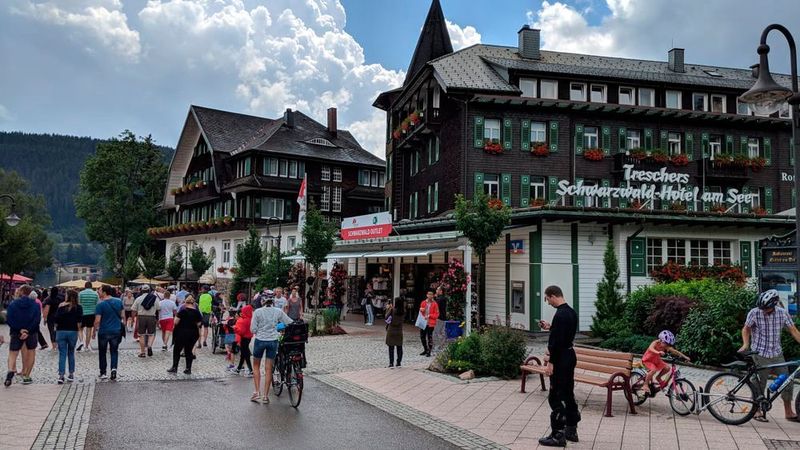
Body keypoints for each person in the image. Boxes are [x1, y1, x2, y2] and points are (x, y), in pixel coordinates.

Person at [739, 289, 800, 422]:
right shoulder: (755, 312)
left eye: (766, 308)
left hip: (777, 353)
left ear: (774, 304)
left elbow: (793, 330)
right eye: (762, 307)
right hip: (760, 353)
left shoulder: (782, 314)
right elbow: (746, 329)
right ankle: (757, 411)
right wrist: (745, 344)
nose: (763, 310)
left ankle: (788, 412)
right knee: (760, 383)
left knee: (787, 382)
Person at [537, 285, 580, 447]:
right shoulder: (571, 312)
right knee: (568, 392)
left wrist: (550, 364)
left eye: (547, 299)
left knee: (555, 396)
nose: (548, 303)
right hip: (570, 355)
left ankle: (558, 435)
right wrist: (550, 327)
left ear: (553, 296)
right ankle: (571, 429)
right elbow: (564, 334)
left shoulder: (560, 315)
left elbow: (556, 343)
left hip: (561, 358)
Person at [250, 296, 294, 403]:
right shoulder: (278, 311)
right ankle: (265, 396)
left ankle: (257, 392)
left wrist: (260, 329)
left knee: (256, 366)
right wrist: (278, 326)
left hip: (260, 340)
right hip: (273, 341)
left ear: (262, 301)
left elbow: (253, 329)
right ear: (273, 301)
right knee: (269, 369)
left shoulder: (258, 312)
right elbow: (289, 322)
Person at [4, 285, 41, 386]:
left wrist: (20, 330)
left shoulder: (13, 304)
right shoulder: (35, 305)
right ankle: (26, 376)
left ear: (21, 292)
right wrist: (27, 331)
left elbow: (9, 319)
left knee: (13, 353)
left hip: (16, 331)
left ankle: (11, 369)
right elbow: (37, 320)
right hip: (31, 332)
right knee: (31, 352)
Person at [642, 330, 690, 395]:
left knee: (667, 368)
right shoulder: (655, 342)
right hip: (648, 360)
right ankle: (645, 384)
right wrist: (658, 352)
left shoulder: (665, 346)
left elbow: (675, 351)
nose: (666, 346)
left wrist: (685, 357)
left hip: (656, 360)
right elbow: (651, 348)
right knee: (654, 370)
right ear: (661, 340)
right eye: (666, 343)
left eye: (668, 344)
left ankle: (658, 377)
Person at [94, 285, 124, 381]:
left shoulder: (100, 304)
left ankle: (103, 372)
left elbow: (97, 320)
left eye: (100, 290)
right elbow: (123, 315)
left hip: (104, 331)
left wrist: (94, 330)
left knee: (102, 352)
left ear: (104, 292)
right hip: (116, 330)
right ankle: (114, 369)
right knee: (114, 351)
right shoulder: (119, 301)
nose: (98, 292)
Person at [168, 295, 203, 375]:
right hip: (192, 333)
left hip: (181, 332)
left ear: (185, 302)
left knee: (177, 350)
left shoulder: (182, 311)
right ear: (193, 303)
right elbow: (199, 324)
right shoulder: (197, 312)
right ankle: (188, 369)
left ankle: (174, 367)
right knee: (189, 351)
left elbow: (176, 322)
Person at [54, 289, 83, 384]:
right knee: (71, 352)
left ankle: (61, 375)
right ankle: (71, 374)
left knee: (62, 353)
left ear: (68, 296)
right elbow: (79, 321)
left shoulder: (61, 306)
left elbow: (56, 319)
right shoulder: (78, 307)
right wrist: (78, 332)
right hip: (73, 331)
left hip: (61, 331)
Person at [131, 285, 161, 357]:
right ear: (149, 290)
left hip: (141, 317)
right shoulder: (154, 298)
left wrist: (133, 319)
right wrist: (158, 319)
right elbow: (158, 308)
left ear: (141, 291)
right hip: (151, 317)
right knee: (151, 334)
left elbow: (133, 310)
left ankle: (142, 352)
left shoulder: (138, 299)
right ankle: (149, 346)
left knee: (141, 335)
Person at [77, 281, 98, 352]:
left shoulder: (81, 293)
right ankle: (86, 346)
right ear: (91, 286)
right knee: (89, 330)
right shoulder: (95, 294)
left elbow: (79, 304)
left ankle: (81, 342)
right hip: (91, 313)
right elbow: (96, 304)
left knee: (80, 329)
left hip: (82, 313)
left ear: (85, 286)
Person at [234, 305, 254, 376]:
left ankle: (251, 370)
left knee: (245, 354)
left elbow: (241, 332)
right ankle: (238, 369)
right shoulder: (250, 319)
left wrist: (235, 328)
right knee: (243, 354)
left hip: (244, 338)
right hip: (249, 338)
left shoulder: (244, 321)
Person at [418, 290, 439, 357]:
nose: (430, 296)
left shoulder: (435, 304)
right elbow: (421, 311)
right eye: (428, 294)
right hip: (423, 322)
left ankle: (429, 351)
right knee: (422, 336)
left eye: (431, 295)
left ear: (433, 296)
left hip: (431, 323)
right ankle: (425, 349)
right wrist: (421, 310)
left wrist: (430, 315)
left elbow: (437, 314)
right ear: (427, 295)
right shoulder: (423, 302)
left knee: (429, 336)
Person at [386, 296, 404, 368]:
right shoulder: (403, 311)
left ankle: (391, 363)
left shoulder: (392, 310)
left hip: (391, 330)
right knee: (399, 347)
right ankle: (399, 362)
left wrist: (388, 309)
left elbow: (386, 317)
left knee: (391, 347)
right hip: (399, 330)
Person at [42, 287, 62, 351]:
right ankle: (59, 345)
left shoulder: (49, 299)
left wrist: (45, 318)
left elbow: (46, 310)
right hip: (59, 317)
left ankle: (54, 346)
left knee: (52, 331)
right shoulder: (60, 298)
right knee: (58, 331)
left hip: (51, 318)